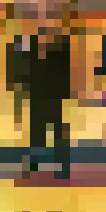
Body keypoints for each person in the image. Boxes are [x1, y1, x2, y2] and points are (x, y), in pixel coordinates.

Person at [24, 27, 74, 178]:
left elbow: (65, 76)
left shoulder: (58, 55)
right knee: (37, 134)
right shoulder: (32, 55)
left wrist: (64, 94)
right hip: (38, 99)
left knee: (58, 133)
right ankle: (34, 165)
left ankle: (63, 167)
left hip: (54, 98)